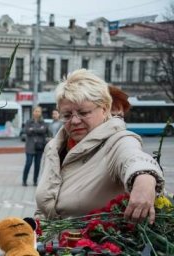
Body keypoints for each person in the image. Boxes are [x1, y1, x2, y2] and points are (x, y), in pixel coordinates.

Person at [36, 69, 164, 223]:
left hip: (96, 245)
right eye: (67, 115)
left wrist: (144, 180)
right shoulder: (53, 148)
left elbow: (134, 158)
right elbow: (45, 205)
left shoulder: (118, 141)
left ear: (104, 109)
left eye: (83, 112)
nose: (75, 121)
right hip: (51, 245)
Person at [21, 106, 51, 187]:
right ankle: (24, 180)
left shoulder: (43, 122)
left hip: (39, 146)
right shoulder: (28, 122)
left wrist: (33, 129)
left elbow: (44, 130)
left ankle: (35, 181)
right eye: (36, 111)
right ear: (33, 112)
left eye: (39, 111)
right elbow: (27, 131)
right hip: (30, 146)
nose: (37, 113)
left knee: (37, 165)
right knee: (28, 163)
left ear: (41, 113)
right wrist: (38, 129)